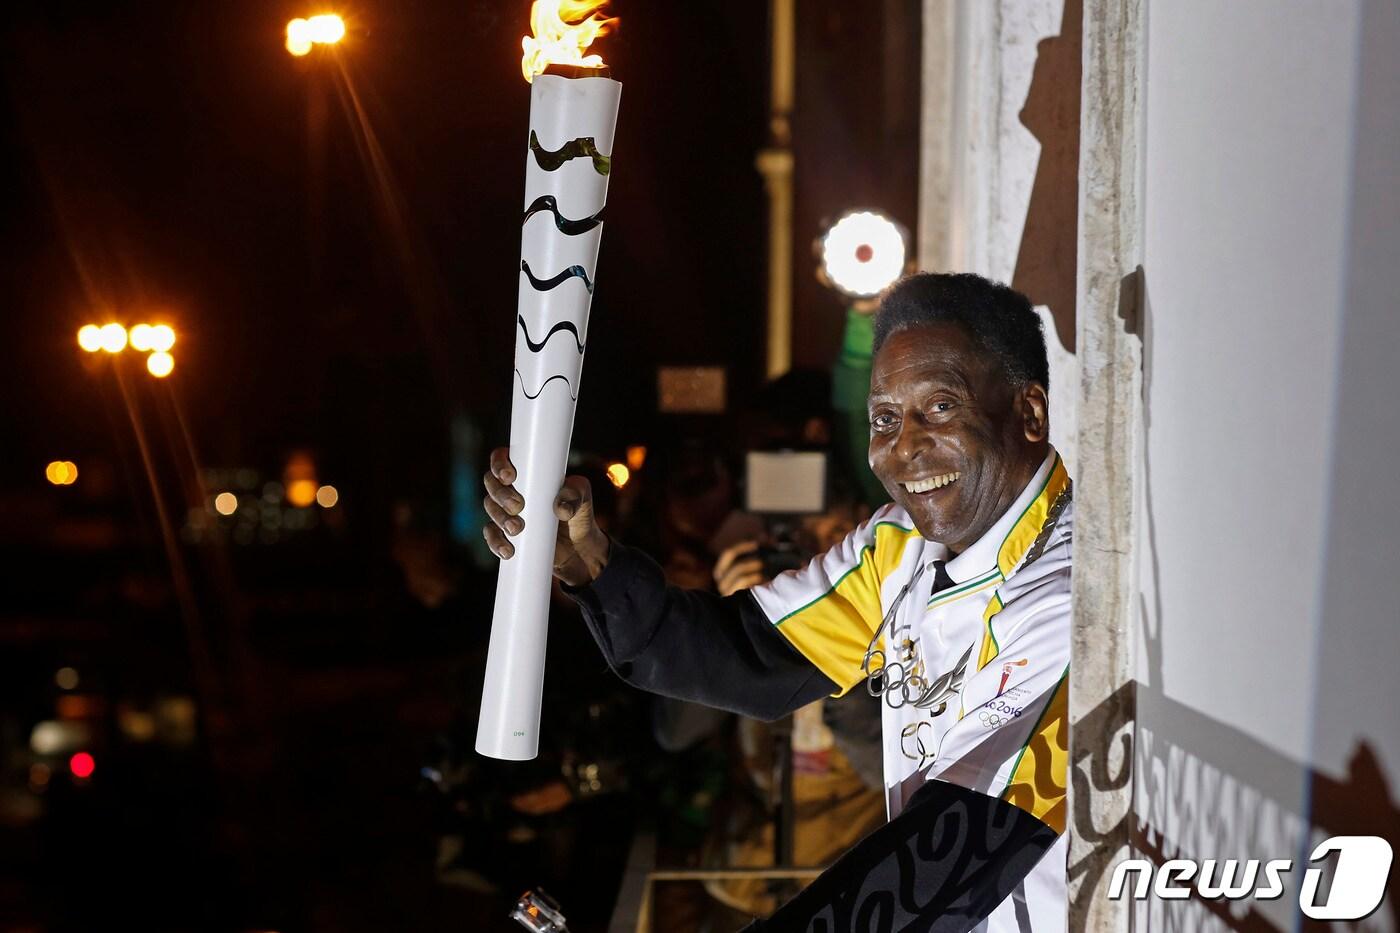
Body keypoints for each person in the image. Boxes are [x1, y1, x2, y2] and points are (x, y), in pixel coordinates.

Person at [482, 272, 1072, 932]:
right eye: (885, 418)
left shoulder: (1061, 593)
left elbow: (955, 851)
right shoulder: (898, 544)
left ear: (1028, 413)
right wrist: (589, 561)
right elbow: (749, 655)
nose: (905, 447)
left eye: (940, 408)